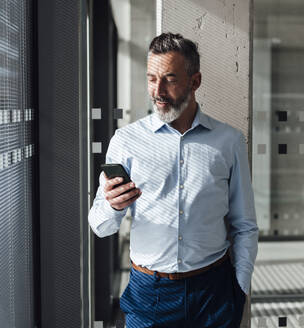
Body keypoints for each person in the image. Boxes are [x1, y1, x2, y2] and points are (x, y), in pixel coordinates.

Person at [88, 32, 258, 328]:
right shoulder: (126, 141)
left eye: (169, 79)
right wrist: (112, 207)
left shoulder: (229, 142)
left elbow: (244, 224)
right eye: (152, 78)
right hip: (148, 293)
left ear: (195, 81)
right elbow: (100, 227)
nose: (158, 90)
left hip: (213, 293)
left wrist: (239, 288)